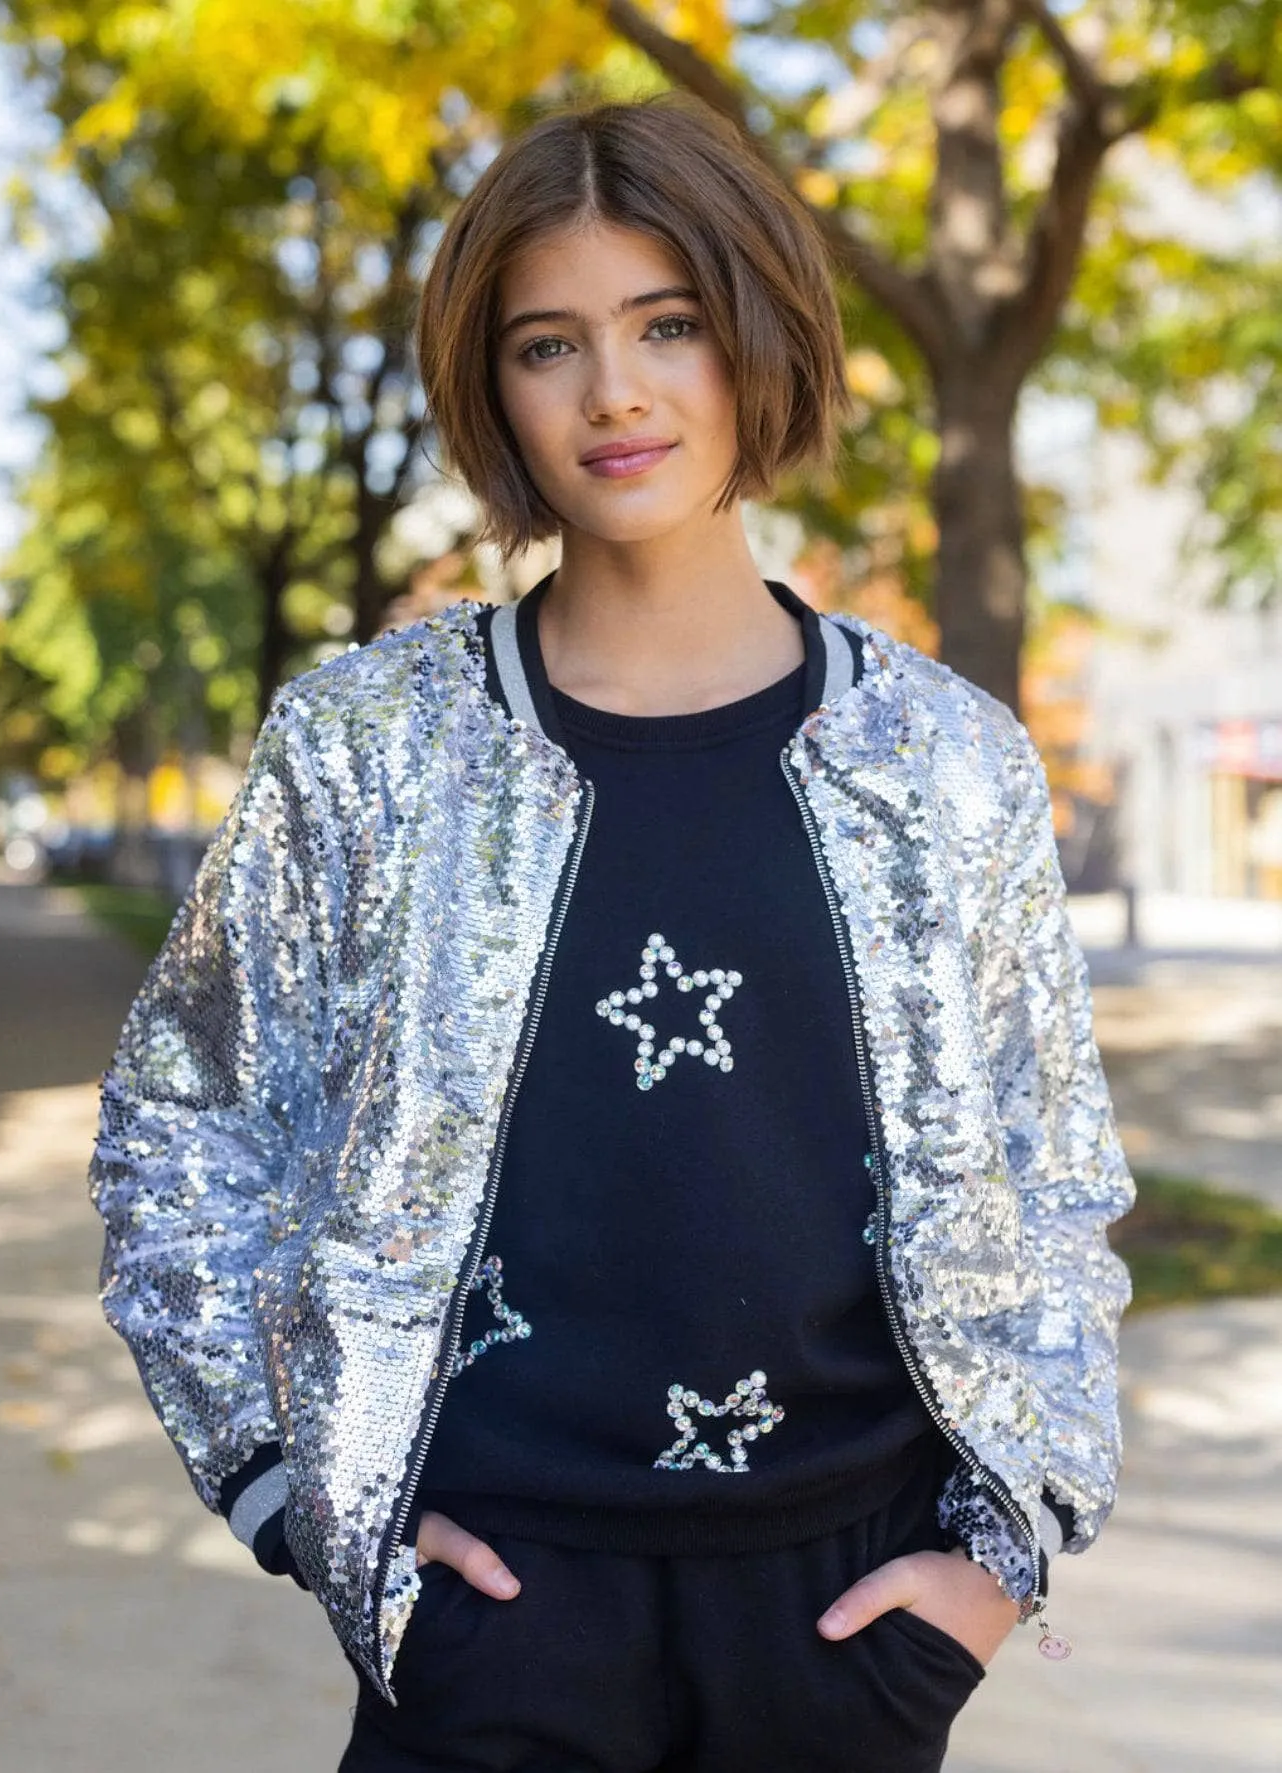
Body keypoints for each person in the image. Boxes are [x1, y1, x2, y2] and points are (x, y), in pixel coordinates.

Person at [88, 93, 1135, 1773]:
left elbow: (1053, 1169)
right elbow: (179, 1128)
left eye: (669, 325)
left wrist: (1004, 1556)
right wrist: (299, 1497)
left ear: (758, 338)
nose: (616, 392)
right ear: (491, 386)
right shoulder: (370, 745)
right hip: (492, 1617)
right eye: (546, 344)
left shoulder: (943, 760)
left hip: (845, 1618)